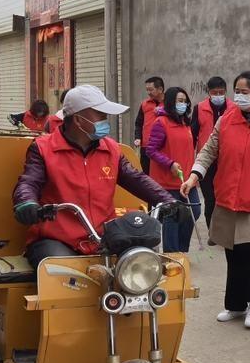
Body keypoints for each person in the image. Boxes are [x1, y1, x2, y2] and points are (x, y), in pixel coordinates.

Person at [13, 85, 176, 267]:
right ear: (78, 120)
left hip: (103, 235)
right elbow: (28, 182)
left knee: (143, 264)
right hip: (56, 238)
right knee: (64, 275)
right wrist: (27, 203)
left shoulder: (111, 149)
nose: (106, 120)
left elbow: (135, 178)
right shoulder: (43, 149)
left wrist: (168, 200)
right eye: (100, 115)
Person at [179, 71, 250, 329]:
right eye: (236, 91)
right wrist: (194, 175)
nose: (238, 96)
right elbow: (208, 151)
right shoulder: (226, 121)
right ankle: (235, 305)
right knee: (233, 253)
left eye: (244, 91)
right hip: (227, 197)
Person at [145, 86, 199, 252]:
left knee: (194, 212)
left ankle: (181, 250)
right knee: (173, 217)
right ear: (170, 103)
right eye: (179, 101)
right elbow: (150, 150)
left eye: (184, 101)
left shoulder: (185, 123)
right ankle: (172, 253)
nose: (182, 104)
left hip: (187, 179)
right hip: (167, 181)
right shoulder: (161, 123)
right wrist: (169, 163)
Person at [191, 76, 228, 228]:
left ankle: (223, 229)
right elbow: (192, 135)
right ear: (209, 93)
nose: (218, 95)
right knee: (210, 198)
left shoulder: (233, 108)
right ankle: (212, 230)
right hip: (206, 161)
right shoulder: (199, 108)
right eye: (215, 92)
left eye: (221, 92)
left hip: (226, 161)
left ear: (225, 92)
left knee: (223, 197)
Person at [133, 76, 165, 172]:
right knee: (146, 175)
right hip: (146, 147)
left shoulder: (169, 104)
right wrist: (138, 137)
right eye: (147, 90)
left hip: (163, 147)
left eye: (151, 90)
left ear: (160, 89)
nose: (148, 93)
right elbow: (138, 123)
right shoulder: (144, 104)